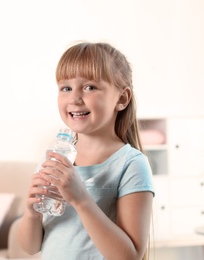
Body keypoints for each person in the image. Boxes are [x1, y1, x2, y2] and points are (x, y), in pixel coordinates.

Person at [17, 41, 154, 260]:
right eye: (66, 88)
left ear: (122, 98)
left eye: (90, 87)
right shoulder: (55, 159)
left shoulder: (130, 163)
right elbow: (31, 247)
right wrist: (32, 213)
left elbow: (129, 256)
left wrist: (80, 199)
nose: (74, 98)